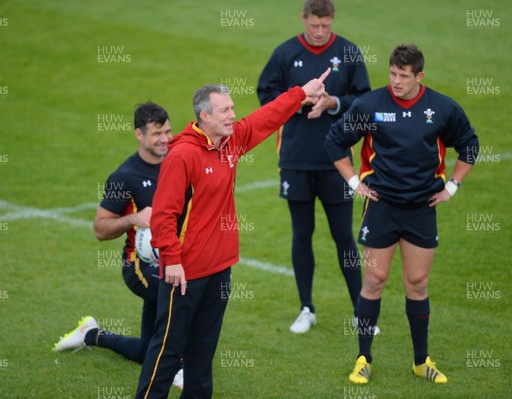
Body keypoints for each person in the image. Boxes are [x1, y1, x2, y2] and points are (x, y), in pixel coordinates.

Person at [135, 70, 329, 399]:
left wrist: (301, 92)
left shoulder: (230, 141)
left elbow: (264, 119)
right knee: (168, 351)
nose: (233, 115)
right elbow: (164, 214)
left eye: (232, 108)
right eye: (225, 110)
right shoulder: (182, 155)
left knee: (202, 352)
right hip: (185, 274)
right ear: (204, 116)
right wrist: (172, 260)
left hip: (220, 269)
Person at [325, 44, 480, 384]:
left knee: (417, 283)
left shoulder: (441, 108)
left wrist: (452, 187)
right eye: (392, 74)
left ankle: (421, 361)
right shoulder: (369, 105)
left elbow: (469, 144)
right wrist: (353, 182)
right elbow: (335, 141)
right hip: (381, 206)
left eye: (403, 76)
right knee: (375, 281)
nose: (395, 81)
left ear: (419, 76)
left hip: (422, 209)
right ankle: (363, 358)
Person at [257, 0, 371, 333]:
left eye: (326, 25)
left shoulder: (349, 53)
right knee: (302, 234)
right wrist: (299, 100)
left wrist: (333, 102)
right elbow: (266, 95)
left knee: (344, 237)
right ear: (303, 19)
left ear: (332, 20)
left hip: (337, 163)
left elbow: (364, 100)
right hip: (295, 160)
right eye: (314, 25)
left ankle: (361, 312)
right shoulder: (284, 53)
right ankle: (306, 308)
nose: (320, 32)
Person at [53, 102, 183, 388]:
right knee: (179, 291)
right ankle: (176, 365)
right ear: (139, 134)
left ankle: (91, 334)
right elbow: (100, 229)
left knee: (143, 352)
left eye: (168, 132)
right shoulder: (124, 177)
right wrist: (135, 218)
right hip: (140, 265)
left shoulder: (179, 159)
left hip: (174, 257)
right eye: (157, 134)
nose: (165, 139)